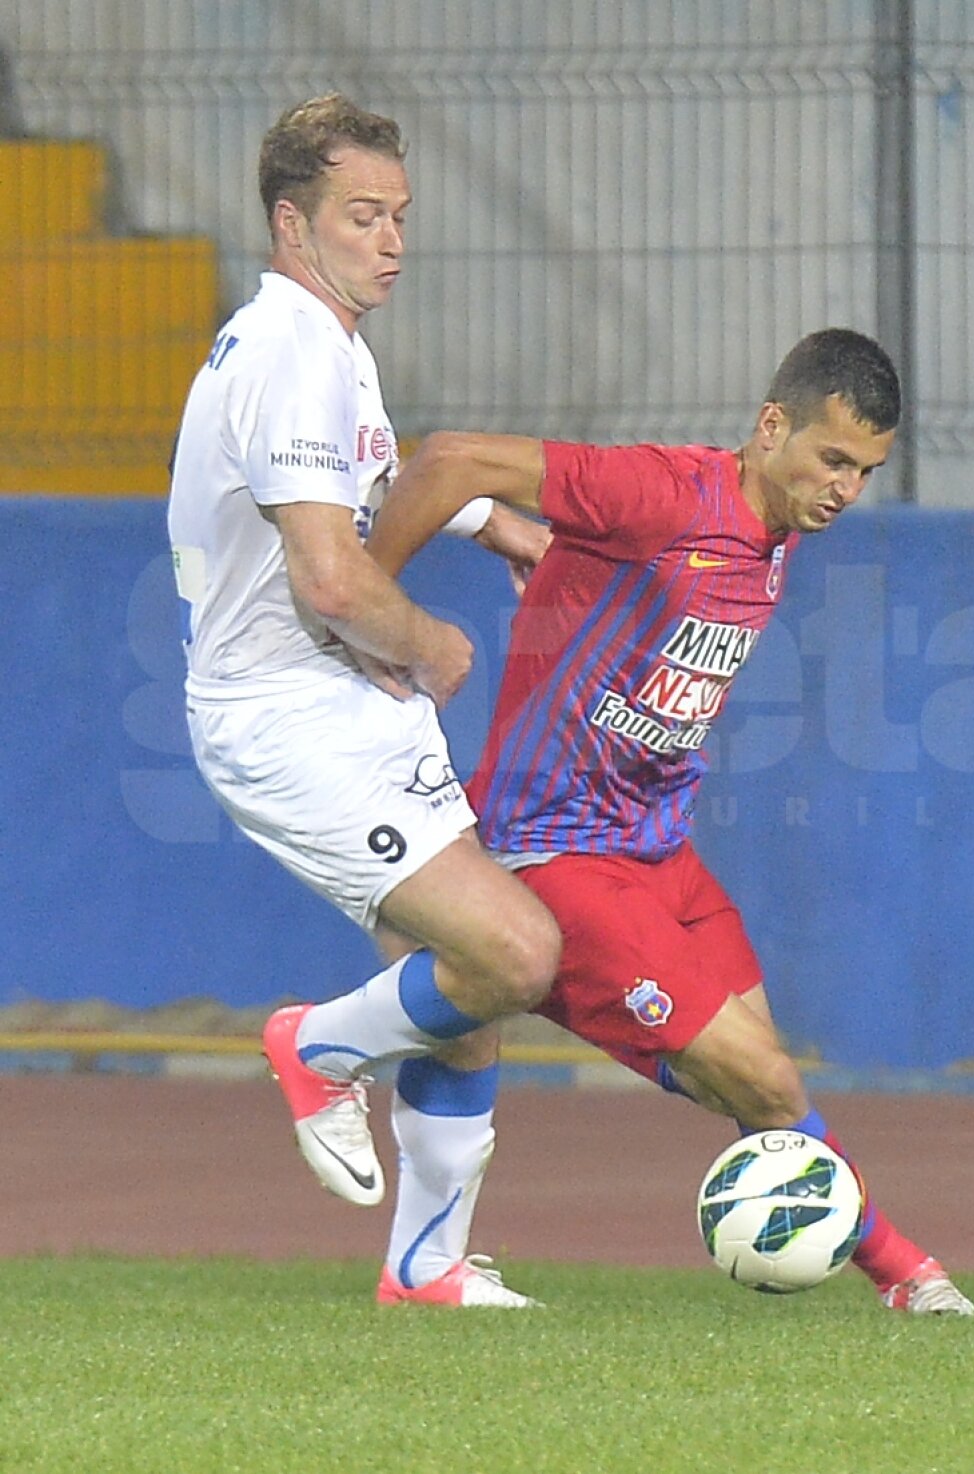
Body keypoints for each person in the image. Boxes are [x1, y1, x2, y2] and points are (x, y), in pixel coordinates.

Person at [366, 327, 974, 1315]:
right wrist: (366, 600)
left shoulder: (773, 535)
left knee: (759, 1094)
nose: (845, 489)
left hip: (659, 852)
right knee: (768, 1088)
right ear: (770, 425)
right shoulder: (662, 493)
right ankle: (906, 1272)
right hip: (557, 851)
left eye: (864, 471)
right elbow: (448, 460)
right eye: (832, 459)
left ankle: (423, 1257)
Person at [166, 93, 562, 1308]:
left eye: (399, 216)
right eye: (361, 216)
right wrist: (437, 642)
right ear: (293, 224)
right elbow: (332, 574)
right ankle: (314, 1045)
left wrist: (501, 525)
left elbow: (381, 485)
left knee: (458, 991)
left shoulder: (328, 344)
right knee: (516, 951)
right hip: (288, 712)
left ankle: (427, 1265)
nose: (390, 240)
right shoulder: (290, 352)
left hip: (334, 696)